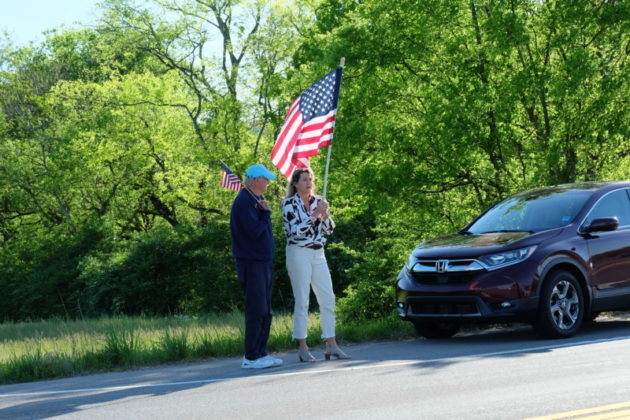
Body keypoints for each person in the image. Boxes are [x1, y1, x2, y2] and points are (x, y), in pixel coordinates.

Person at [282, 167, 350, 362]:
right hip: (298, 253)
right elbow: (295, 232)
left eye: (310, 179)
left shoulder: (318, 201)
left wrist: (325, 214)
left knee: (328, 298)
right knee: (302, 300)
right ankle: (303, 347)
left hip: (318, 253)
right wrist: (314, 215)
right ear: (295, 184)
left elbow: (329, 230)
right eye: (304, 179)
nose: (309, 183)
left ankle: (331, 344)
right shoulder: (288, 204)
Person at [230, 164, 283, 369]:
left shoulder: (255, 200)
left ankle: (260, 353)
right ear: (254, 180)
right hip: (251, 263)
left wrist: (264, 211)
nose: (268, 183)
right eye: (265, 179)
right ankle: (250, 356)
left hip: (262, 262)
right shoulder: (244, 201)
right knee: (256, 309)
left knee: (265, 310)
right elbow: (253, 231)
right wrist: (265, 214)